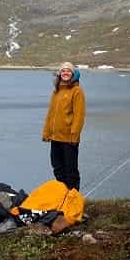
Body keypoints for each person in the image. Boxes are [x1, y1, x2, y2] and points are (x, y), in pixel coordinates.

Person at [42, 61, 85, 191]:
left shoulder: (77, 91)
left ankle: (73, 197)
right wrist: (46, 132)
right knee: (58, 168)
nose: (65, 73)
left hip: (69, 139)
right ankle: (63, 195)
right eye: (63, 71)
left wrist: (74, 134)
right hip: (55, 138)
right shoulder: (57, 91)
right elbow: (51, 114)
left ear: (73, 74)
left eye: (68, 71)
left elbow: (79, 115)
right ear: (60, 74)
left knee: (70, 171)